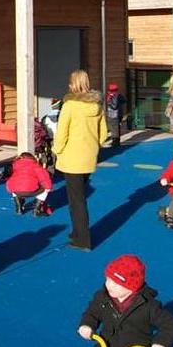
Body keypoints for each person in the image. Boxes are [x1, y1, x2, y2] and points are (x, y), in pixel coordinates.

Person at [52, 70, 108, 251]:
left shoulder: (70, 106)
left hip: (72, 157)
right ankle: (77, 232)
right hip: (88, 156)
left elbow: (62, 132)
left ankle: (83, 239)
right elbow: (103, 133)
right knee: (79, 197)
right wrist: (94, 146)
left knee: (76, 201)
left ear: (73, 84)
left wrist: (56, 150)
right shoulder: (97, 105)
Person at [6, 151, 53, 216]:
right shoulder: (36, 166)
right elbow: (44, 177)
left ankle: (19, 208)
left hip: (16, 191)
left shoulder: (14, 165)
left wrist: (9, 188)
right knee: (45, 189)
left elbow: (9, 177)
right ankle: (36, 210)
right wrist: (48, 188)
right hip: (30, 190)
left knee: (15, 186)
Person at [105, 83, 125, 148]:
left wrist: (109, 102)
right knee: (116, 128)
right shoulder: (119, 95)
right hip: (118, 115)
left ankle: (115, 142)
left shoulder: (114, 96)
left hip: (113, 115)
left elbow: (114, 106)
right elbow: (124, 101)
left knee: (114, 129)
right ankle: (116, 141)